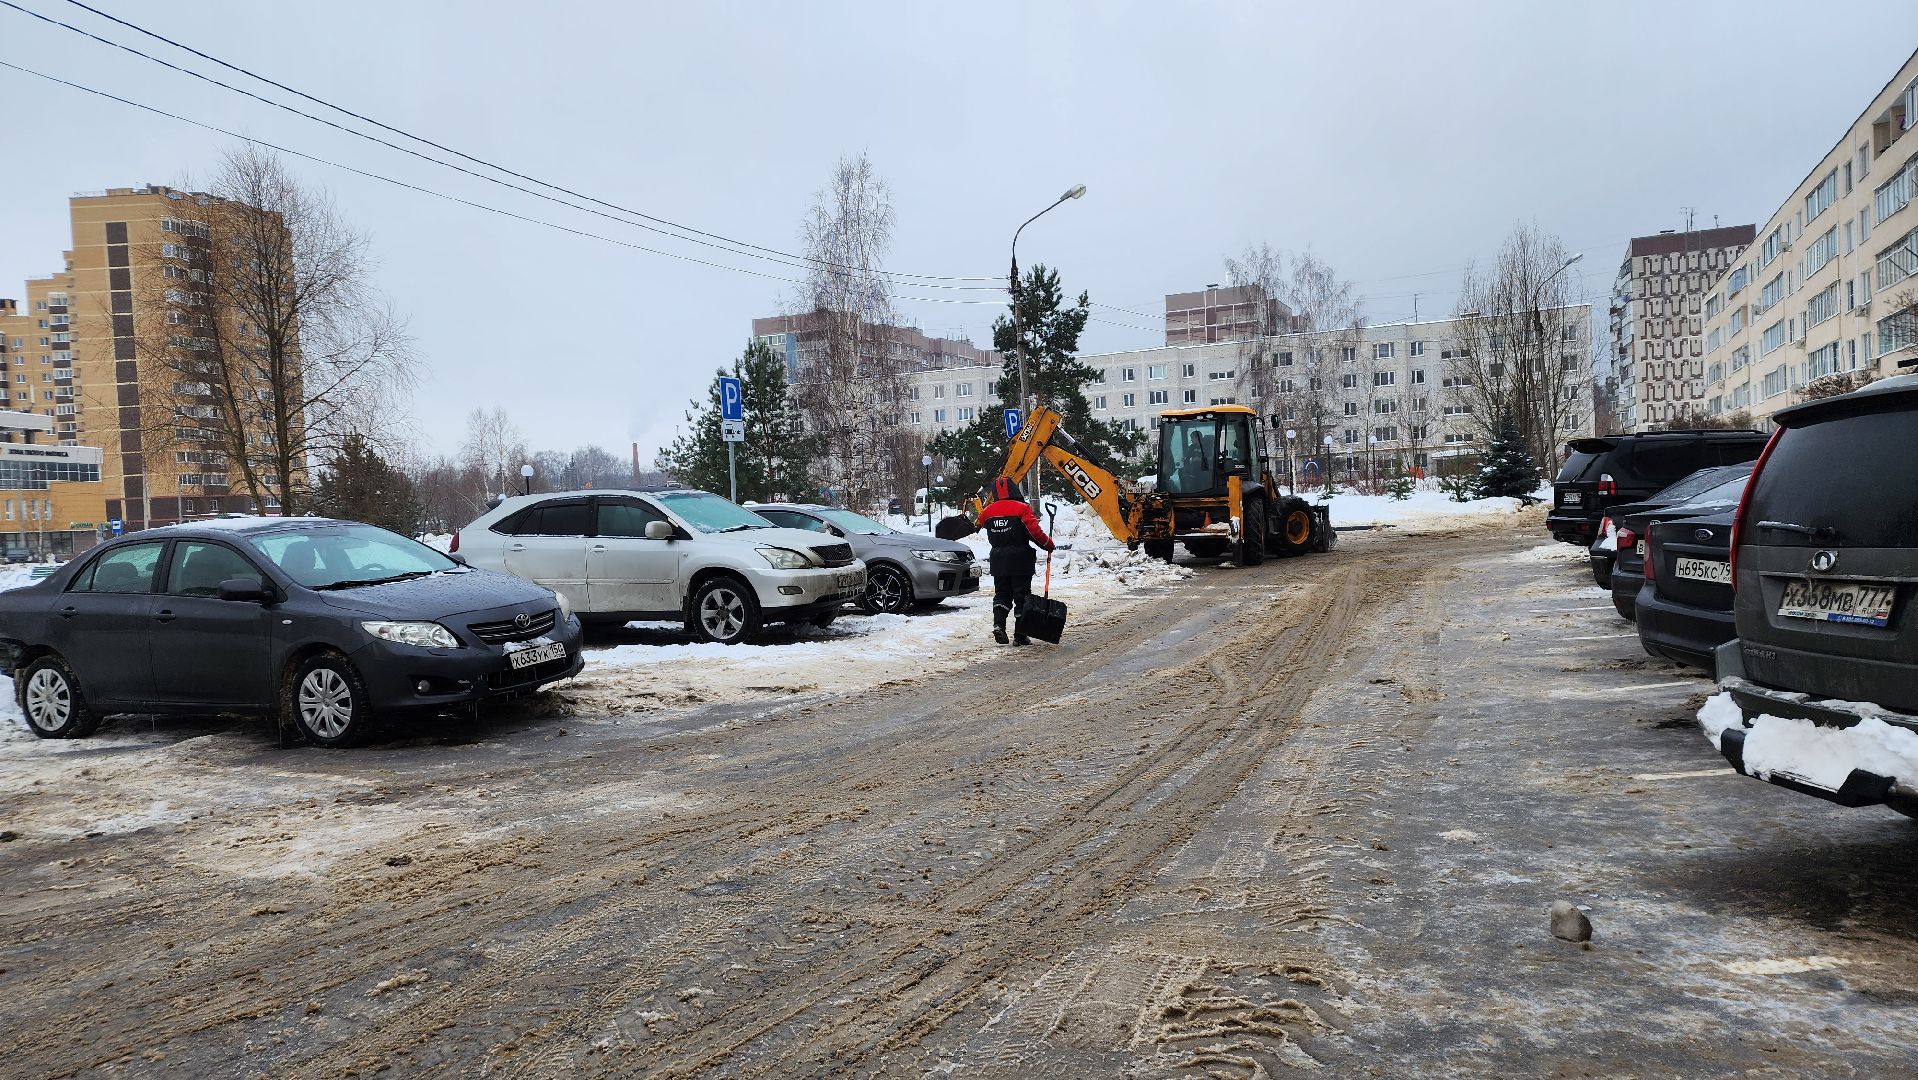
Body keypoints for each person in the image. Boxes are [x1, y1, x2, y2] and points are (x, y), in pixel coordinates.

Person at [976, 476, 1054, 645]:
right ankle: (1020, 635)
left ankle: (998, 625)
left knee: (1002, 594)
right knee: (1022, 597)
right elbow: (1034, 532)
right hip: (1020, 560)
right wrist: (1048, 544)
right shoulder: (1021, 508)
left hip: (998, 561)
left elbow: (978, 524)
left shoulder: (987, 512)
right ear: (1013, 489)